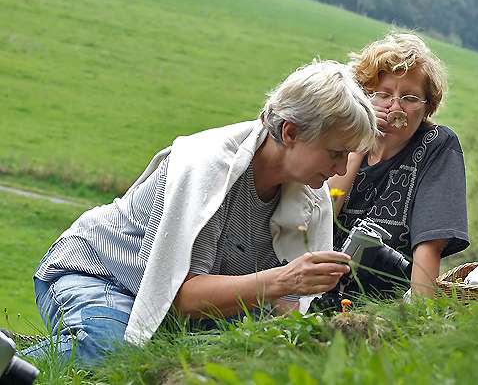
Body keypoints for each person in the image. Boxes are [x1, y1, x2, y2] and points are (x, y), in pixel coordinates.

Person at [21, 60, 377, 366]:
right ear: (291, 132)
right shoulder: (208, 169)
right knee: (113, 353)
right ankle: (16, 362)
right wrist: (285, 280)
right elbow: (180, 294)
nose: (342, 166)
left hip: (191, 310)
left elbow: (284, 308)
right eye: (335, 152)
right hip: (102, 274)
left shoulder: (310, 196)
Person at [327, 32, 470, 302]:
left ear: (427, 108)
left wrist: (419, 316)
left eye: (410, 98)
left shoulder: (436, 146)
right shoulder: (341, 140)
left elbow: (429, 246)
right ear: (363, 97)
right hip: (315, 292)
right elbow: (320, 216)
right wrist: (361, 135)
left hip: (384, 305)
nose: (395, 108)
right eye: (382, 94)